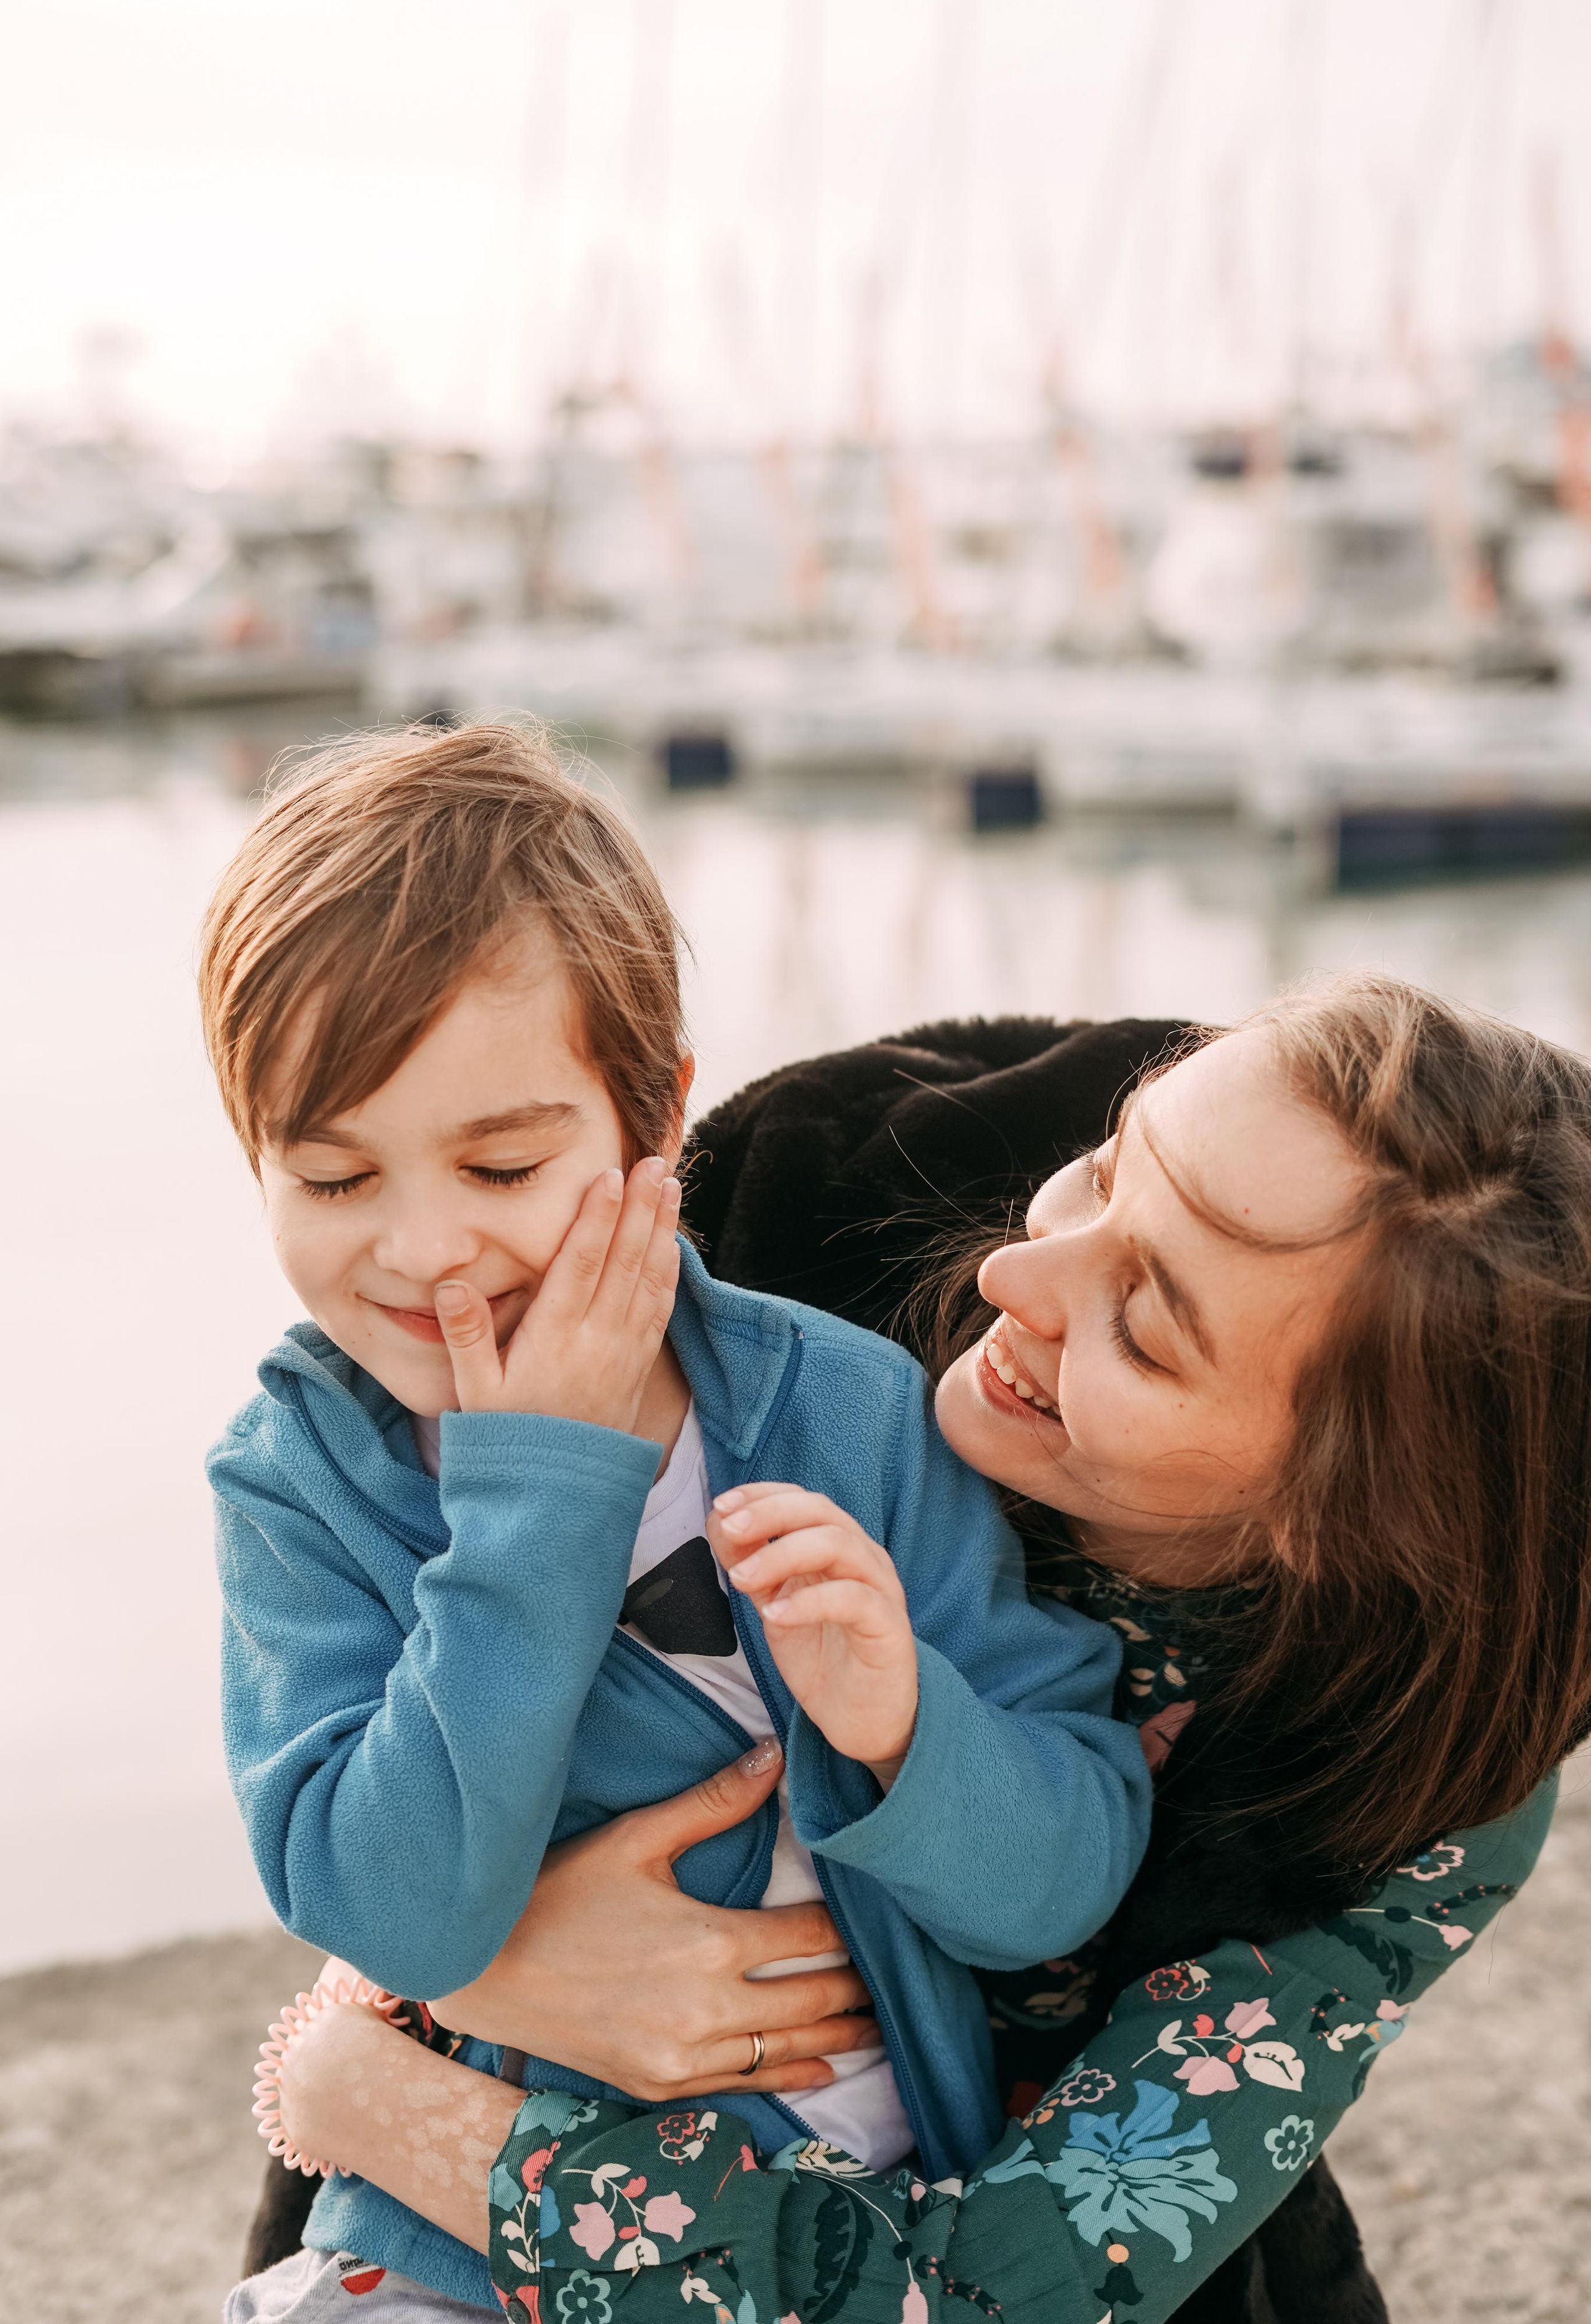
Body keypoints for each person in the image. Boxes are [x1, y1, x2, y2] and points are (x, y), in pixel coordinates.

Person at [244, 980, 1590, 2324]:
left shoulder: (1413, 1776)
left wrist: (371, 2099)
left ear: (1332, 1515)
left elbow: (976, 2297)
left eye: (1142, 1327)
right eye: (1104, 1168)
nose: (1013, 1270)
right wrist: (447, 1976)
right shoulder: (786, 1267)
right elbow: (427, 1697)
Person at [200, 723, 1152, 2316]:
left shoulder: (838, 1411)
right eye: (332, 1177)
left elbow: (1056, 1887)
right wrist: (535, 1493)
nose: (425, 1247)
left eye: (501, 1164)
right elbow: (391, 1912)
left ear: (654, 1118)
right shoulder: (302, 1484)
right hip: (461, 2231)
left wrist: (908, 1720)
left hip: (855, 2216)